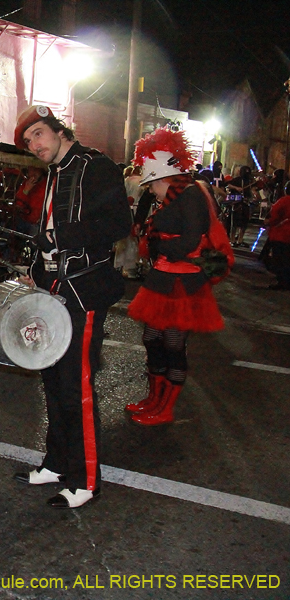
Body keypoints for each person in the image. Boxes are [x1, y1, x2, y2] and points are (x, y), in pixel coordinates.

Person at [11, 105, 131, 509]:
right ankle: (58, 462)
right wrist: (35, 267)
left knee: (76, 386)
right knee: (53, 382)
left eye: (40, 134)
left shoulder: (96, 166)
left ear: (61, 131)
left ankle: (86, 479)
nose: (35, 145)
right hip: (52, 289)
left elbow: (118, 225)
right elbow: (46, 229)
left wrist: (61, 237)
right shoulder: (53, 175)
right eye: (29, 142)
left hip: (84, 291)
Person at [125, 128, 232, 424]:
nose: (150, 190)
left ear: (163, 177)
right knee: (151, 338)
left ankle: (166, 407)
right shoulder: (173, 196)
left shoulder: (191, 194)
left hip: (184, 279)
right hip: (164, 275)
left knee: (173, 342)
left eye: (151, 184)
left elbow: (190, 238)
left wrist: (161, 244)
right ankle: (154, 399)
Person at [264, 182, 290, 290]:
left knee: (281, 260)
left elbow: (274, 216)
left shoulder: (283, 201)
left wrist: (267, 222)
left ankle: (283, 282)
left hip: (282, 234)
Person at [226, 166, 253, 246]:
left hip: (246, 203)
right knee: (234, 222)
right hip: (237, 203)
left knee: (244, 223)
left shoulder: (250, 181)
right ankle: (232, 239)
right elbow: (228, 185)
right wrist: (236, 188)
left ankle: (240, 240)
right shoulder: (237, 180)